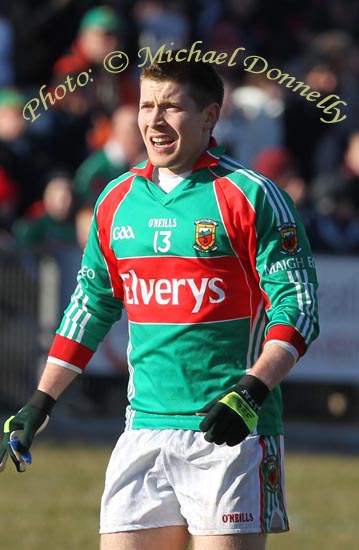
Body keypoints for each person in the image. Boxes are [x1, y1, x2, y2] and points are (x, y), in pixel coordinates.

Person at [0, 58, 319, 550]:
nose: (154, 120)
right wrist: (40, 402)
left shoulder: (251, 195)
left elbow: (297, 308)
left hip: (232, 431)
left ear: (211, 116)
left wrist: (250, 393)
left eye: (172, 106)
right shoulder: (116, 199)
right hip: (143, 431)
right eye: (147, 105)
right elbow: (90, 307)